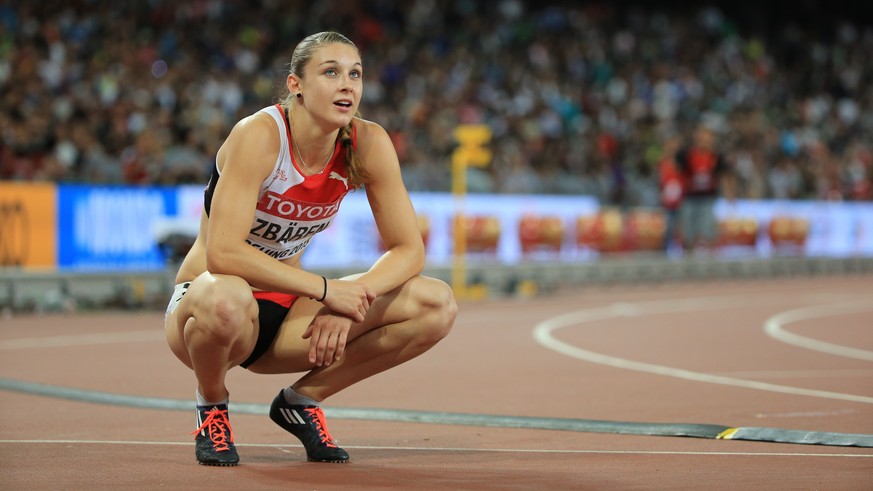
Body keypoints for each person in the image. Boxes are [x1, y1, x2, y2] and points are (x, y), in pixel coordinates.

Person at [164, 31, 458, 466]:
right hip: (209, 305)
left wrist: (351, 301)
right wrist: (326, 290)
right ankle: (212, 405)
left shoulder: (369, 143)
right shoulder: (259, 136)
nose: (348, 85)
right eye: (331, 72)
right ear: (295, 85)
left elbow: (409, 250)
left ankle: (301, 402)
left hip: (289, 314)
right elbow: (222, 255)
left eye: (355, 74)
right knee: (228, 296)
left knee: (437, 304)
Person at [675, 125, 732, 253]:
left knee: (709, 233)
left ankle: (711, 262)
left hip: (707, 199)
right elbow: (677, 171)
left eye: (708, 137)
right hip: (690, 198)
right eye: (702, 136)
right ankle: (687, 260)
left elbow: (723, 176)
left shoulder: (716, 157)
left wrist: (729, 195)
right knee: (688, 234)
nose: (705, 140)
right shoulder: (686, 155)